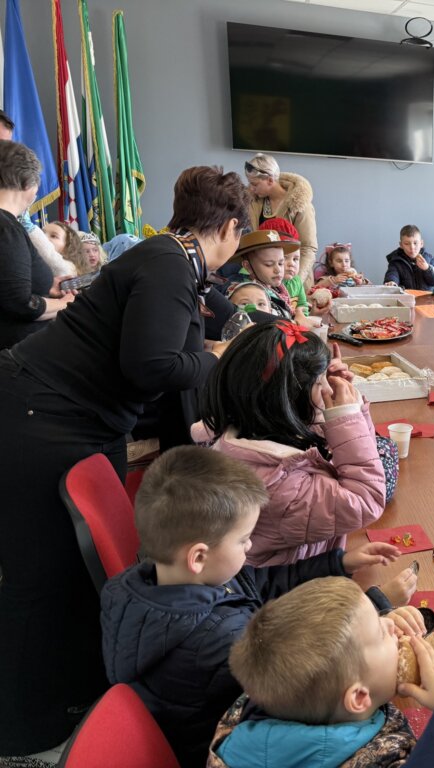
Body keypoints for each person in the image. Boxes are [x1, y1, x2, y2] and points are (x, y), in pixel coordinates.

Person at [0, 165, 248, 756]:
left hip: (74, 415)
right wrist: (218, 355)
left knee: (75, 574)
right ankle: (23, 728)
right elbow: (154, 366)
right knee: (44, 575)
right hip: (42, 413)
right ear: (233, 228)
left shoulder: (173, 257)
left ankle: (69, 694)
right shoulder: (168, 262)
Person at [100, 447, 418, 768]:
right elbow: (309, 677)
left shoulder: (153, 579)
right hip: (214, 747)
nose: (251, 547)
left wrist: (339, 563)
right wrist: (377, 607)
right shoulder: (219, 641)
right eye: (243, 539)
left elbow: (265, 582)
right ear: (198, 557)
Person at [208, 577, 434, 768]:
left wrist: (373, 631)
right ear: (358, 697)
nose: (392, 625)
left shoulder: (267, 696)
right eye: (382, 632)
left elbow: (334, 659)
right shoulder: (382, 762)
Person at [197, 321, 396, 573]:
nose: (327, 388)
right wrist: (347, 416)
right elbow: (367, 500)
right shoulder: (279, 483)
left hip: (310, 565)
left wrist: (337, 405)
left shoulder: (261, 430)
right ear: (288, 401)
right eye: (319, 383)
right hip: (288, 594)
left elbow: (317, 438)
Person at [0, 142, 75, 349]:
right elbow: (21, 304)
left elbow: (8, 283)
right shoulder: (7, 229)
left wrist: (50, 286)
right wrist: (65, 304)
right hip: (17, 359)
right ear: (27, 184)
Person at [245, 152, 318, 280]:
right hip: (266, 280)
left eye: (255, 184)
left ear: (270, 180)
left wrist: (296, 282)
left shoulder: (300, 205)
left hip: (293, 281)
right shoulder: (254, 204)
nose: (251, 189)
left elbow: (308, 248)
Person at [259, 218, 330, 326]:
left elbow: (302, 306)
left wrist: (311, 315)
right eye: (285, 258)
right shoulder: (262, 287)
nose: (291, 263)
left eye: (296, 259)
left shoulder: (296, 281)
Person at [229, 229, 297, 318]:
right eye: (269, 264)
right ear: (248, 266)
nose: (278, 270)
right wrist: (295, 322)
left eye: (281, 263)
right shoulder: (247, 293)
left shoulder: (277, 288)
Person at [383, 224, 434, 290]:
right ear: (401, 245)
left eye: (415, 243)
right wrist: (391, 282)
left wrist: (427, 269)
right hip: (406, 298)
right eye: (407, 244)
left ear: (421, 243)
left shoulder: (429, 259)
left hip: (426, 298)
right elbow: (392, 274)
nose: (412, 247)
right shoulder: (396, 261)